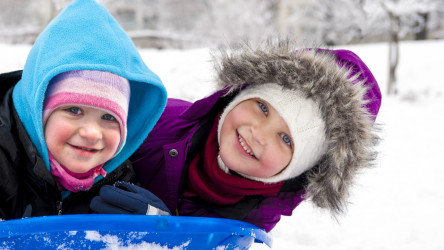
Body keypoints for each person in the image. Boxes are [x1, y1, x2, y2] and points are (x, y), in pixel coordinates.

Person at [92, 40, 382, 232]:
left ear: (297, 169)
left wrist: (163, 231)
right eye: (262, 107)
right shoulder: (154, 122)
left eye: (286, 139)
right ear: (240, 96)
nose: (258, 134)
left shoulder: (255, 215)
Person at [0, 0, 167, 220]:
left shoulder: (118, 176)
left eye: (108, 116)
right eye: (74, 110)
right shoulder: (4, 159)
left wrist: (156, 226)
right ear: (38, 110)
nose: (92, 133)